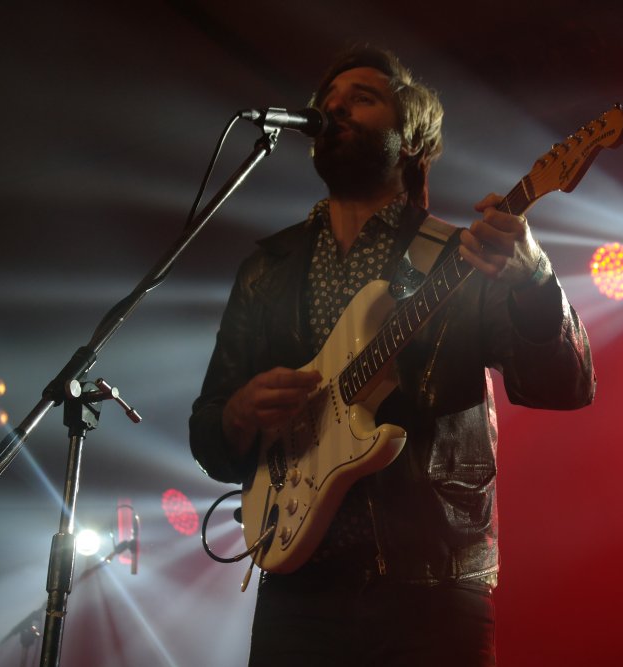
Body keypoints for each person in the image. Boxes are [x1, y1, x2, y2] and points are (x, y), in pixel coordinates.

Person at [190, 46, 595, 667]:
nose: (335, 109)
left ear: (411, 138)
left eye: (361, 98)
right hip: (298, 588)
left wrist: (536, 280)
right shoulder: (267, 269)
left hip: (430, 586)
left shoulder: (461, 258)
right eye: (328, 101)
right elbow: (210, 435)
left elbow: (564, 386)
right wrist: (239, 413)